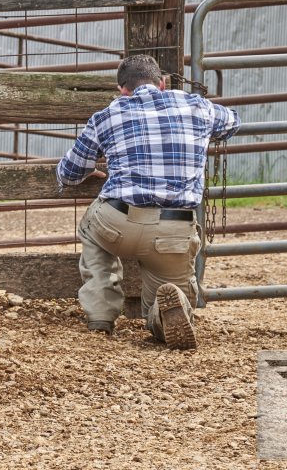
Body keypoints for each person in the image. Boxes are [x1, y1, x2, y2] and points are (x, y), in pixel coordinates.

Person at [56, 54, 239, 349]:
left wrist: (94, 167)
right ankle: (161, 317)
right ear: (162, 84)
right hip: (173, 231)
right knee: (166, 294)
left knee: (91, 226)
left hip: (118, 223)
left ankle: (101, 314)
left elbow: (69, 173)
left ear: (122, 90)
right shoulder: (197, 106)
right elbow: (233, 122)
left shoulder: (105, 116)